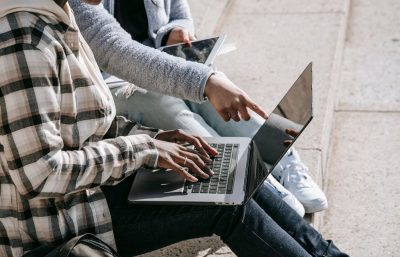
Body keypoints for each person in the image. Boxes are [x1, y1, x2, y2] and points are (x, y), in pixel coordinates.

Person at [0, 0, 350, 256]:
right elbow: (39, 174)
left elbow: (84, 126)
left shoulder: (59, 13)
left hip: (96, 187)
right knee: (225, 203)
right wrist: (144, 149)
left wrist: (152, 139)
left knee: (232, 167)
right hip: (61, 218)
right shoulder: (25, 41)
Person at [70, 0, 328, 215]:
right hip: (108, 79)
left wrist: (176, 29)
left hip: (161, 58)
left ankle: (283, 160)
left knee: (215, 90)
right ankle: (252, 179)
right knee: (169, 103)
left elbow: (179, 11)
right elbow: (115, 51)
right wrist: (204, 81)